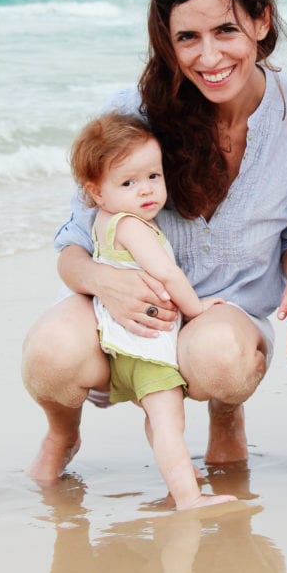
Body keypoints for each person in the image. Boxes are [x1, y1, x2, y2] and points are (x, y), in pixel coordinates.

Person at [22, 0, 287, 484]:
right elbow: (72, 249)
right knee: (49, 356)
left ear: (262, 21)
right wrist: (106, 282)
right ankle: (62, 430)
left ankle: (226, 412)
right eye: (187, 37)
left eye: (225, 31)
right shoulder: (131, 113)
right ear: (167, 42)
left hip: (225, 314)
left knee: (220, 360)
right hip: (119, 312)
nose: (208, 58)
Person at [68, 111, 235, 509]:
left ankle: (180, 473)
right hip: (146, 348)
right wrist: (196, 310)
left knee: (159, 422)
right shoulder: (132, 226)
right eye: (128, 182)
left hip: (123, 348)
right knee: (168, 423)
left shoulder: (106, 222)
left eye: (153, 177)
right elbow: (169, 274)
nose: (146, 190)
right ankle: (188, 497)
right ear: (97, 193)